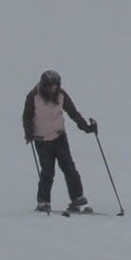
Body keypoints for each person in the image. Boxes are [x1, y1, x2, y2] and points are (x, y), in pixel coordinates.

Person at [23, 70, 98, 212]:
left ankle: (77, 198)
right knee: (47, 171)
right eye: (51, 86)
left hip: (59, 137)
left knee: (69, 168)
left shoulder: (61, 95)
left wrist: (87, 128)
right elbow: (27, 116)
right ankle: (43, 201)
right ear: (44, 85)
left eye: (56, 86)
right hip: (42, 140)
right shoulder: (33, 96)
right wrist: (28, 133)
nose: (54, 89)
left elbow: (73, 113)